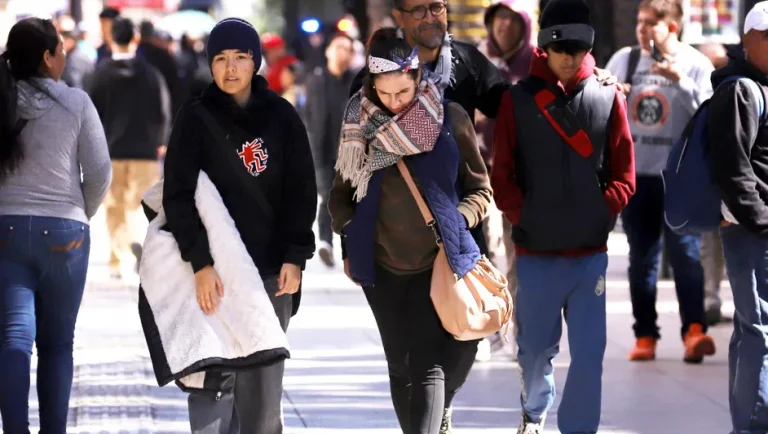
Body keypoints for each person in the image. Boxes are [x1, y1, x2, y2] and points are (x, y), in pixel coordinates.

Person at [329, 27, 491, 434]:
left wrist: (459, 221)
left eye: (403, 92)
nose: (395, 103)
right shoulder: (358, 124)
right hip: (380, 269)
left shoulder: (448, 118)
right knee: (398, 366)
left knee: (426, 363)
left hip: (435, 263)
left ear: (419, 78)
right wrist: (351, 234)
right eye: (385, 95)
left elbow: (480, 189)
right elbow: (340, 197)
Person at [162, 18, 317, 433]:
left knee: (263, 391)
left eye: (241, 58)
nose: (230, 68)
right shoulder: (194, 119)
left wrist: (296, 256)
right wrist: (200, 262)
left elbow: (302, 191)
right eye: (221, 59)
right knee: (214, 384)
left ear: (256, 62)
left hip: (270, 273)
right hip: (214, 273)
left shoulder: (282, 118)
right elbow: (176, 196)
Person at [491, 0, 635, 432]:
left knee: (590, 353)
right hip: (536, 252)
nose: (570, 58)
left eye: (578, 49)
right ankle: (534, 413)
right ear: (545, 48)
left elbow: (624, 173)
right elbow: (502, 174)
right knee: (535, 350)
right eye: (561, 49)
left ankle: (579, 427)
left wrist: (600, 210)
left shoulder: (609, 95)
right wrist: (525, 214)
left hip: (590, 253)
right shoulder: (516, 100)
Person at [0, 17, 112, 432]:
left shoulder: (2, 101)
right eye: (61, 49)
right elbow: (99, 172)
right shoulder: (75, 103)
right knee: (57, 344)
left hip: (5, 231)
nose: (65, 55)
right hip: (65, 234)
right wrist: (79, 211)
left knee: (13, 338)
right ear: (47, 58)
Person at [605, 0, 716, 363]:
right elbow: (600, 102)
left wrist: (679, 82)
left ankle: (694, 331)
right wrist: (613, 92)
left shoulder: (695, 64)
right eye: (639, 21)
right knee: (642, 258)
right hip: (638, 177)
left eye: (651, 23)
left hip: (680, 177)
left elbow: (709, 114)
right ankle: (645, 334)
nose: (642, 29)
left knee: (686, 254)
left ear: (673, 27)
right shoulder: (626, 59)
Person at [710, 2, 768, 431]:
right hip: (752, 233)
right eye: (767, 36)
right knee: (760, 333)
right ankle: (753, 424)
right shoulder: (740, 90)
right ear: (748, 40)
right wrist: (763, 221)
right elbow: (734, 170)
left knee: (752, 331)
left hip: (757, 230)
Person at [474, 0, 535, 362]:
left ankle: (517, 326)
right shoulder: (477, 61)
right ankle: (487, 327)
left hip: (521, 174)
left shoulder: (534, 64)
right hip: (480, 171)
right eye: (497, 21)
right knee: (484, 249)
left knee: (516, 253)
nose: (503, 28)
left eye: (511, 21)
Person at [87, 17, 171, 279]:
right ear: (135, 39)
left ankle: (117, 261)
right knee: (140, 205)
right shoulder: (151, 74)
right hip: (145, 151)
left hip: (109, 151)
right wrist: (161, 141)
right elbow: (163, 109)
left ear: (111, 39)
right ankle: (138, 244)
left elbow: (90, 114)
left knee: (113, 206)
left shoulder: (99, 74)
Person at [305, 32, 357, 267]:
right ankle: (326, 242)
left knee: (350, 198)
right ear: (327, 52)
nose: (341, 53)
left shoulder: (357, 82)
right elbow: (310, 117)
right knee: (327, 195)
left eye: (347, 49)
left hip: (351, 151)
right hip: (323, 151)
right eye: (337, 47)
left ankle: (350, 245)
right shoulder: (316, 81)